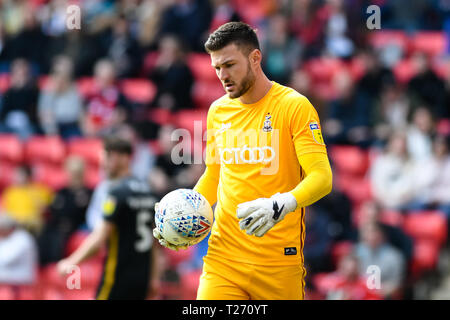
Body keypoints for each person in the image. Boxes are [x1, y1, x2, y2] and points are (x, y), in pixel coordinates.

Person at [153, 22, 333, 300]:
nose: (222, 76)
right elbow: (213, 175)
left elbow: (322, 178)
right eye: (216, 68)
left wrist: (282, 204)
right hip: (223, 258)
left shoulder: (294, 106)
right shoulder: (218, 111)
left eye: (229, 65)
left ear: (255, 58)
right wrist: (183, 218)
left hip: (278, 262)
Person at [57, 137, 160, 300]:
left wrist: (71, 261)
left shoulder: (116, 193)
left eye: (107, 157)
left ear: (122, 158)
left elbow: (100, 237)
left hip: (118, 274)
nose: (102, 163)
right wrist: (154, 277)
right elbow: (155, 244)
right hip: (143, 277)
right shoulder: (149, 192)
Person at [0, 214, 38, 285]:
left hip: (21, 284)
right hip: (8, 283)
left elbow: (6, 260)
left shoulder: (22, 238)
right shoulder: (5, 238)